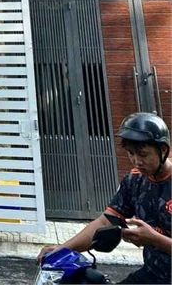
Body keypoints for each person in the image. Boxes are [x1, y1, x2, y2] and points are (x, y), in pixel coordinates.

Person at [37, 112, 171, 284]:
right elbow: (105, 222)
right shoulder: (135, 180)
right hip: (153, 274)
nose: (136, 161)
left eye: (143, 154)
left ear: (163, 150)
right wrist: (62, 249)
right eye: (131, 153)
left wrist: (155, 239)